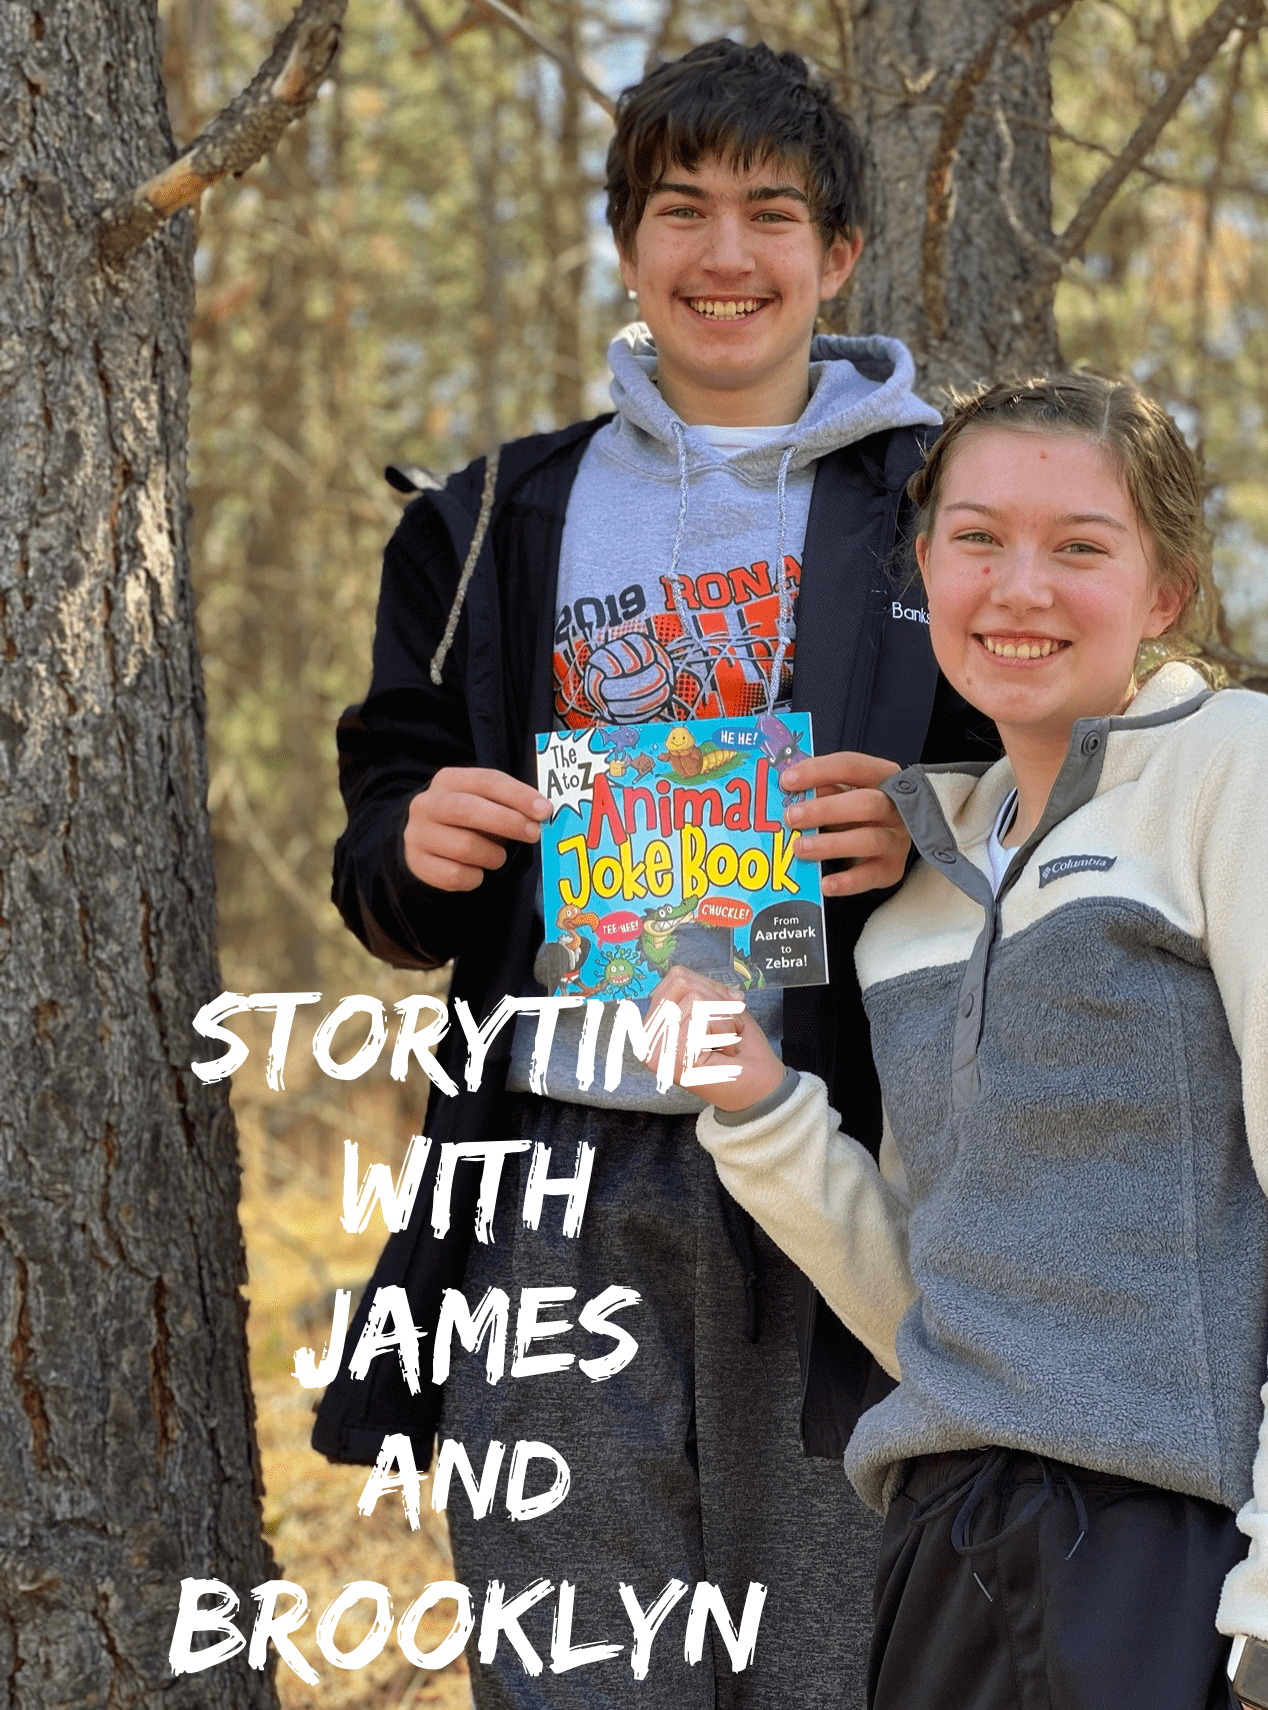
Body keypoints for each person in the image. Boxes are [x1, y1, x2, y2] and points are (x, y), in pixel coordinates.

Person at [314, 38, 997, 1710]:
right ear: (627, 246)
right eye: (679, 210)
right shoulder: (487, 520)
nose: (724, 255)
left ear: (836, 258)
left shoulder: (949, 507)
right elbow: (386, 840)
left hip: (847, 1171)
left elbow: (1064, 786)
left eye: (772, 214)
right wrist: (415, 849)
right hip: (549, 1167)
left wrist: (930, 820)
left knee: (841, 1671)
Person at [648, 373, 1268, 1710]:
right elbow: (949, 1308)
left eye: (1080, 546)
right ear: (926, 568)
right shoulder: (917, 895)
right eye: (978, 539)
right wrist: (760, 1111)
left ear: (1166, 591)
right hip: (952, 1547)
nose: (1020, 587)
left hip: (1202, 1558)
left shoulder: (1262, 779)